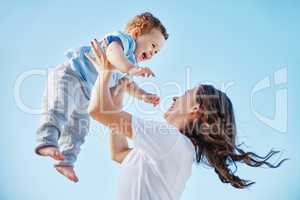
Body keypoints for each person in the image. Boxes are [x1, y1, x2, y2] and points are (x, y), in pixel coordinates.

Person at [88, 39, 286, 200]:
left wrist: (106, 71)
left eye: (185, 94)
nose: (175, 97)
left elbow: (97, 111)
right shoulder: (175, 148)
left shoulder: (171, 140)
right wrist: (119, 91)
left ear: (195, 109)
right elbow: (119, 153)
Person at [35, 12, 168, 182]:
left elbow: (127, 84)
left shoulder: (131, 64)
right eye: (152, 45)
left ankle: (66, 161)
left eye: (156, 52)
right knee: (59, 108)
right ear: (136, 33)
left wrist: (144, 95)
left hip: (87, 93)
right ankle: (46, 140)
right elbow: (113, 53)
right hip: (72, 75)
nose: (152, 53)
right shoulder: (125, 42)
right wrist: (130, 68)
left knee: (79, 128)